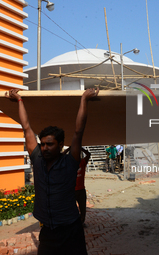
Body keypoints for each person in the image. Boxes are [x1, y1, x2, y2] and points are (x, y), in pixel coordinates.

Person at [6, 87, 99, 255]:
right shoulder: (37, 159)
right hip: (48, 231)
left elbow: (79, 132)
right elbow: (26, 128)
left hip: (71, 230)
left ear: (61, 145)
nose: (44, 148)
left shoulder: (70, 162)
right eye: (42, 144)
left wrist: (84, 99)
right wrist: (19, 100)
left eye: (50, 144)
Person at [63, 146, 91, 225]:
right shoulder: (67, 163)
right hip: (71, 190)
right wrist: (69, 149)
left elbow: (88, 154)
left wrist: (80, 148)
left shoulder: (82, 162)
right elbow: (61, 156)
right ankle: (73, 222)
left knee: (82, 208)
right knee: (71, 208)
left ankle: (81, 222)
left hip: (81, 190)